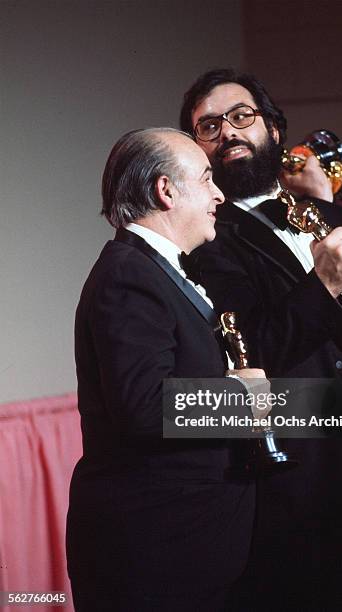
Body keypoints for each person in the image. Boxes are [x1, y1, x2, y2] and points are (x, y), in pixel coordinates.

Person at [179, 69, 342, 611]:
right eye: (209, 126)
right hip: (280, 490)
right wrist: (326, 284)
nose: (228, 132)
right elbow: (254, 351)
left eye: (241, 116)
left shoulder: (305, 214)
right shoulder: (208, 240)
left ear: (273, 127)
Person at [66, 127, 267, 612]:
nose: (220, 193)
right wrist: (239, 395)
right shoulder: (128, 275)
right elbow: (144, 406)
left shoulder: (152, 270)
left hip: (182, 549)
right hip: (156, 556)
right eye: (206, 179)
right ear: (166, 191)